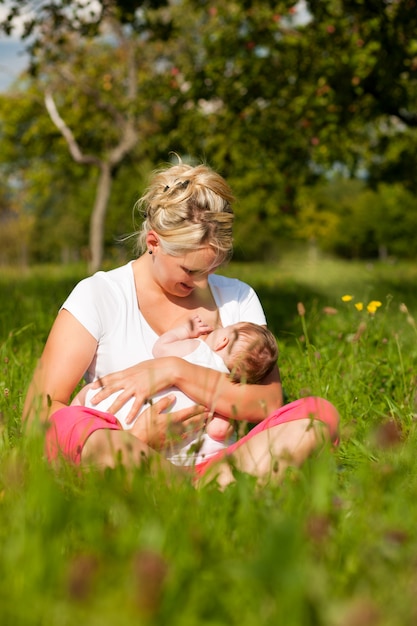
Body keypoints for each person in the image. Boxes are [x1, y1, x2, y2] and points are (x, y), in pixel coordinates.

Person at [23, 158, 339, 488]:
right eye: (189, 271)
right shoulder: (99, 295)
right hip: (130, 454)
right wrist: (138, 438)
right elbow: (39, 413)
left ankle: (196, 492)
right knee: (67, 424)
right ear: (153, 242)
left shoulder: (237, 297)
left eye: (210, 269)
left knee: (319, 415)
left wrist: (175, 370)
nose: (201, 281)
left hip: (219, 461)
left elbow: (268, 402)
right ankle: (199, 494)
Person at [71, 315, 279, 466]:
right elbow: (218, 430)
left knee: (87, 396)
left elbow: (160, 348)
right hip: (169, 445)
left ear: (223, 341)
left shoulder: (198, 348)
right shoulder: (225, 388)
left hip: (122, 408)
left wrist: (185, 331)